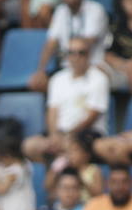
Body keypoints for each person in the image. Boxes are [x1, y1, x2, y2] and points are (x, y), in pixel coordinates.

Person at [23, 34, 110, 163]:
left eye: (81, 53)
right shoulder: (57, 79)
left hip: (87, 134)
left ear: (89, 55)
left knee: (72, 147)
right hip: (60, 133)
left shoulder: (99, 78)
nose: (76, 57)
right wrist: (54, 135)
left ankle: (66, 173)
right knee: (29, 146)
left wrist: (69, 135)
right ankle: (53, 174)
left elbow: (93, 115)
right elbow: (52, 111)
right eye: (71, 53)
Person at [29, 0, 108, 91]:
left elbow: (86, 43)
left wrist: (69, 53)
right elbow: (51, 43)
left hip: (92, 65)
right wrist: (41, 70)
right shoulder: (60, 11)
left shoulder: (96, 10)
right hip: (67, 67)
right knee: (36, 83)